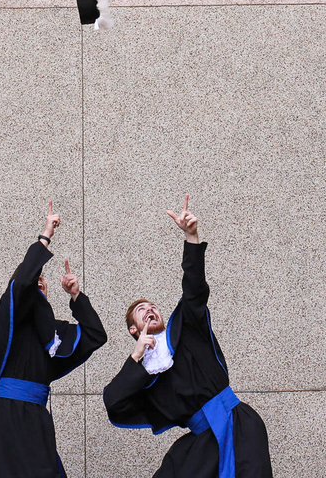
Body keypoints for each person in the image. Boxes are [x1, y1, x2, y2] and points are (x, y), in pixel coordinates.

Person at [103, 195, 273, 478]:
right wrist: (136, 357)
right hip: (202, 440)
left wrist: (191, 237)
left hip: (239, 425)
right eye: (141, 310)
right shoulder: (145, 375)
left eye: (153, 306)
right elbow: (113, 402)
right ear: (133, 330)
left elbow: (194, 289)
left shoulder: (186, 328)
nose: (150, 310)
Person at [0, 202, 107, 477]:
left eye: (43, 279)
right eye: (34, 278)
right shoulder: (9, 321)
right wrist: (46, 235)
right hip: (8, 416)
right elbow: (22, 282)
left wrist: (76, 296)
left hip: (37, 418)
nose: (39, 280)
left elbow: (96, 336)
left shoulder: (53, 336)